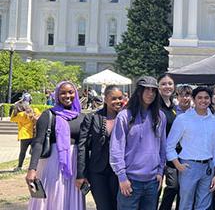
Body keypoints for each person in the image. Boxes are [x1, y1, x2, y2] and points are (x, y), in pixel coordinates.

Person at [26, 81, 85, 210]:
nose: (67, 95)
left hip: (74, 164)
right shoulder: (48, 115)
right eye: (62, 93)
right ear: (57, 95)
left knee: (70, 197)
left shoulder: (82, 117)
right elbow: (38, 142)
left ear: (76, 94)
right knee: (53, 196)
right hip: (52, 163)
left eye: (70, 92)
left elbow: (84, 145)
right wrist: (32, 169)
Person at [109, 76, 167, 210]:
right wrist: (122, 177)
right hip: (130, 180)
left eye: (153, 90)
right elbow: (116, 148)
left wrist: (160, 171)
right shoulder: (124, 116)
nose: (150, 94)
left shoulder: (160, 116)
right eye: (146, 90)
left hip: (153, 181)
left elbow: (162, 147)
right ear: (138, 91)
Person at [166, 86, 215, 210]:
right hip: (189, 167)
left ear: (210, 99)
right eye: (200, 98)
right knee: (185, 204)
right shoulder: (182, 119)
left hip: (208, 167)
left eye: (206, 98)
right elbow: (169, 145)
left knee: (205, 205)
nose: (203, 101)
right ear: (194, 99)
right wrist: (178, 165)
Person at [76, 85, 124, 210]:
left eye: (120, 98)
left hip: (119, 172)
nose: (117, 101)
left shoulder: (127, 118)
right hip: (97, 171)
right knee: (103, 206)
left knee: (118, 205)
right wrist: (81, 173)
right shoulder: (92, 118)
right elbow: (83, 147)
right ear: (105, 99)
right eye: (113, 98)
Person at [157, 75, 181, 210]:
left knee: (173, 186)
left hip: (172, 154)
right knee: (156, 190)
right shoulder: (155, 107)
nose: (167, 86)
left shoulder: (173, 107)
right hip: (157, 154)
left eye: (170, 84)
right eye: (164, 84)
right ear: (158, 86)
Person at [11, 102, 40, 171]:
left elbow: (12, 119)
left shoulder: (20, 115)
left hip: (25, 136)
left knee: (23, 152)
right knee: (34, 152)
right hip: (34, 134)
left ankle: (19, 166)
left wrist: (14, 109)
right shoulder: (35, 110)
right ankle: (33, 166)